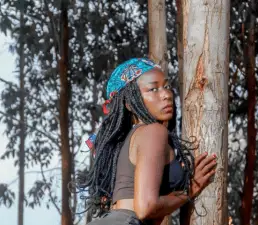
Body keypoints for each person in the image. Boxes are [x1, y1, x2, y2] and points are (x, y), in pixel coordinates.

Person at [75, 58, 217, 225]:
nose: (166, 95)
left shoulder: (131, 140)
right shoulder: (153, 131)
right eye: (153, 89)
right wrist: (190, 189)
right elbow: (146, 208)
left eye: (166, 86)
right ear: (129, 103)